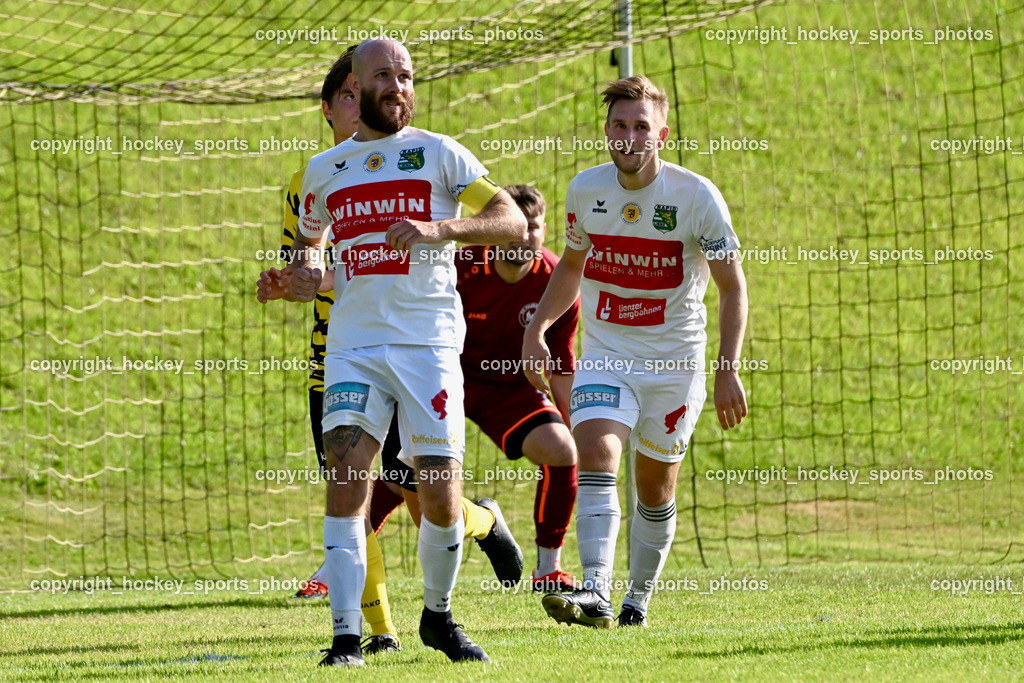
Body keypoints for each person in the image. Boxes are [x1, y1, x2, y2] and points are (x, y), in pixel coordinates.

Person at [258, 47, 520, 658]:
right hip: (353, 349)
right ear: (357, 85)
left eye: (406, 77)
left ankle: (438, 616)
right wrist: (296, 279)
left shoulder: (441, 153)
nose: (398, 86)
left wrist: (443, 228)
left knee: (437, 487)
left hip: (426, 346)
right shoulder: (325, 170)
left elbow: (508, 220)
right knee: (347, 482)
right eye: (384, 76)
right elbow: (311, 252)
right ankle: (347, 635)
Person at [522, 74, 749, 629]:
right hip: (607, 355)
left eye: (641, 127)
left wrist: (727, 370)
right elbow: (572, 266)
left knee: (655, 487)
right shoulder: (586, 190)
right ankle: (595, 590)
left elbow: (732, 287)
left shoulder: (697, 197)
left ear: (661, 134)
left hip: (676, 365)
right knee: (596, 453)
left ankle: (635, 604)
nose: (629, 137)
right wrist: (538, 330)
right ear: (606, 131)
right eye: (619, 126)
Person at [301, 185, 582, 591]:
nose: (523, 237)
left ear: (543, 230)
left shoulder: (556, 282)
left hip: (509, 392)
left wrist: (577, 424)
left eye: (534, 228)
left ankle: (548, 569)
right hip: (441, 377)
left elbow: (561, 364)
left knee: (563, 451)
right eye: (516, 228)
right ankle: (338, 567)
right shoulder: (463, 266)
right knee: (404, 476)